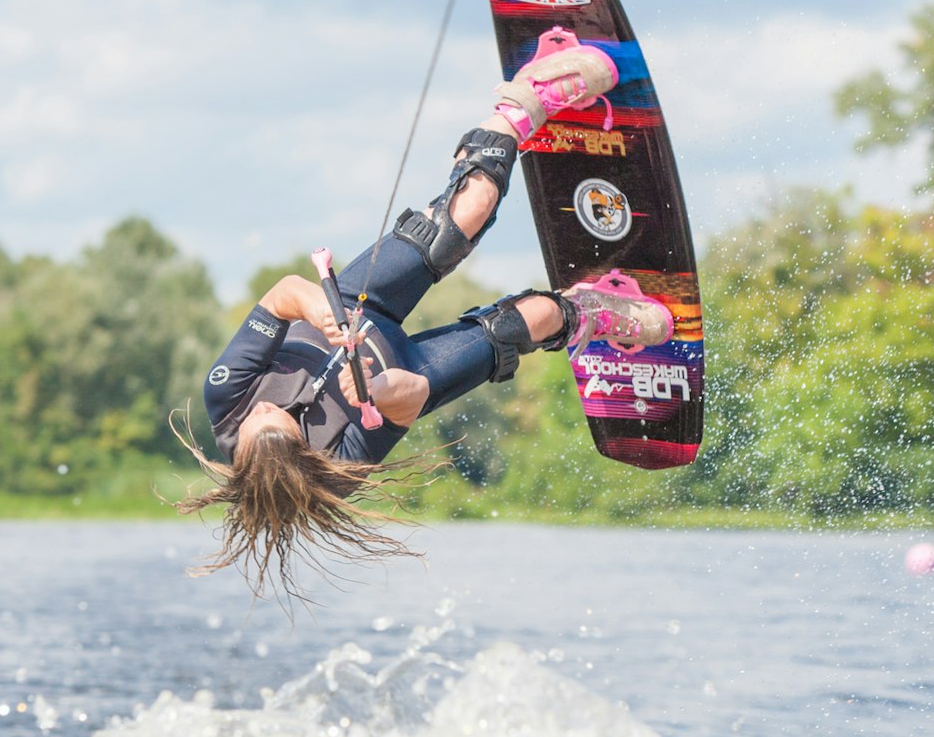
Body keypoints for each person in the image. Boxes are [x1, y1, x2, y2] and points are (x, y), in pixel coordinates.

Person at [177, 34, 675, 593]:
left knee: (463, 219)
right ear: (302, 450)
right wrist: (376, 388)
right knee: (526, 323)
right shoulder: (336, 471)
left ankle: (528, 98)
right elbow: (411, 398)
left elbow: (283, 294)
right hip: (406, 371)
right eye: (284, 423)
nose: (271, 409)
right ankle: (592, 308)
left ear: (239, 449)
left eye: (262, 417)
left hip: (358, 303)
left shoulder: (226, 397)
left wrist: (321, 315)